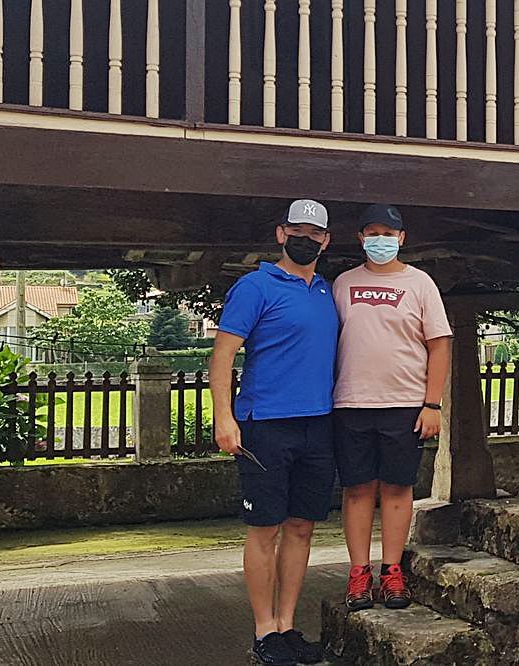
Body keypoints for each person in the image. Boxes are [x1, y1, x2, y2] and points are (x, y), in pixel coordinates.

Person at [210, 199, 341, 666]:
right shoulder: (254, 286)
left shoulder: (327, 290)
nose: (306, 239)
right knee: (264, 527)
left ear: (326, 240)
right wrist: (224, 418)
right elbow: (223, 355)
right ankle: (264, 630)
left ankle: (287, 625)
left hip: (318, 423)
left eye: (316, 233)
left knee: (303, 526)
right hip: (264, 423)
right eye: (297, 231)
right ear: (282, 234)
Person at [330, 204, 452, 612]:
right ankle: (358, 572)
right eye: (372, 232)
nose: (380, 240)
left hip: (405, 404)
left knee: (398, 489)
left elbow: (439, 343)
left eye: (388, 233)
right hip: (351, 402)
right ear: (360, 237)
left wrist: (432, 403)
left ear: (401, 237)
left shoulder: (420, 284)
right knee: (358, 489)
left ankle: (392, 570)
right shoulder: (343, 284)